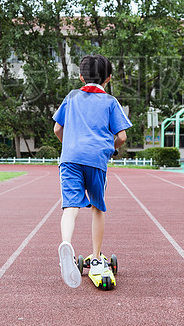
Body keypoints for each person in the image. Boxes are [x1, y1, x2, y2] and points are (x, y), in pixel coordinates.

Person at [53, 54, 132, 288]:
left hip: (70, 158)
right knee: (97, 207)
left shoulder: (71, 97)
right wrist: (109, 149)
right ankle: (97, 258)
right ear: (108, 78)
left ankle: (66, 243)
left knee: (70, 206)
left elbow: (58, 128)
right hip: (96, 160)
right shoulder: (110, 102)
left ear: (80, 76)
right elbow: (122, 137)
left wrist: (69, 146)